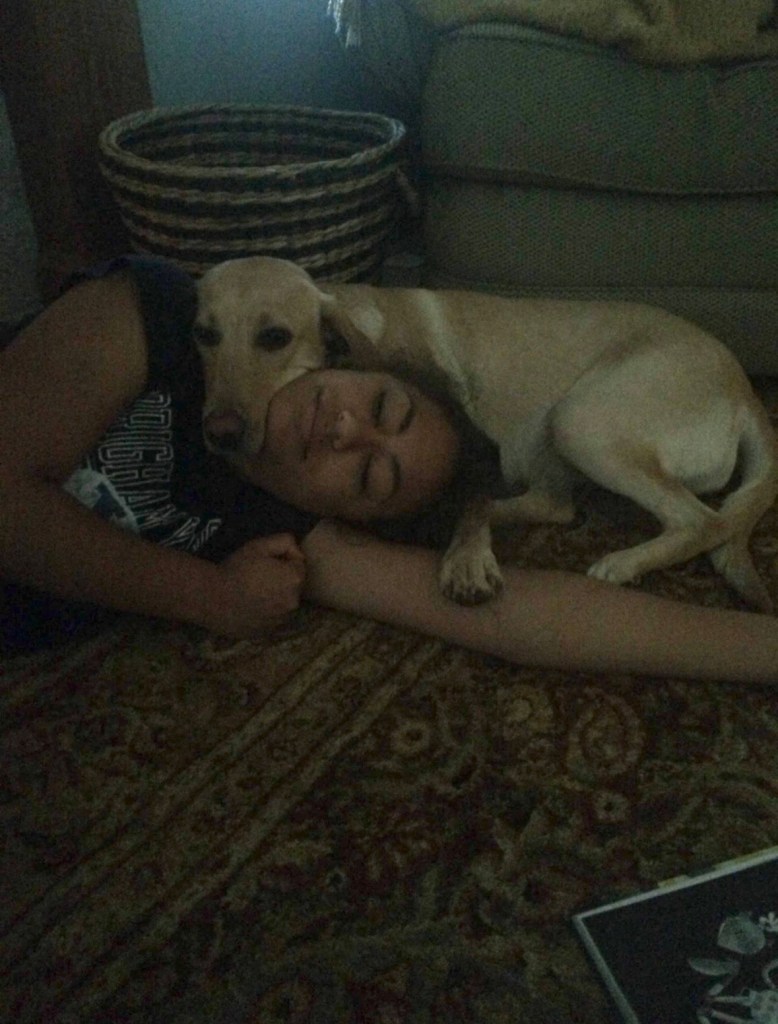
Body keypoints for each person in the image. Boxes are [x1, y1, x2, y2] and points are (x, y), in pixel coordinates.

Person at [1, 254, 776, 684]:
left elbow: (519, 618)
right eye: (379, 404)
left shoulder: (289, 536)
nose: (346, 431)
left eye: (371, 479)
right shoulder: (154, 314)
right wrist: (210, 596)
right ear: (344, 357)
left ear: (354, 519)